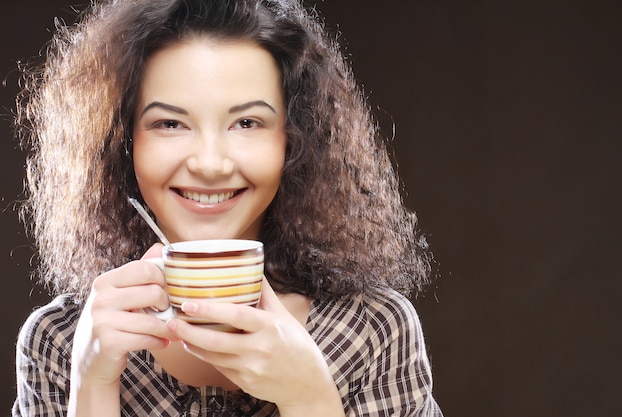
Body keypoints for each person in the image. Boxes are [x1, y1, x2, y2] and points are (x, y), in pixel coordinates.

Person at [12, 0, 443, 415]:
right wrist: (91, 380)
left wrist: (309, 395)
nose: (210, 165)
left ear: (295, 140)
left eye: (247, 123)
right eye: (170, 123)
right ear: (123, 144)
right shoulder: (59, 341)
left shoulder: (373, 331)